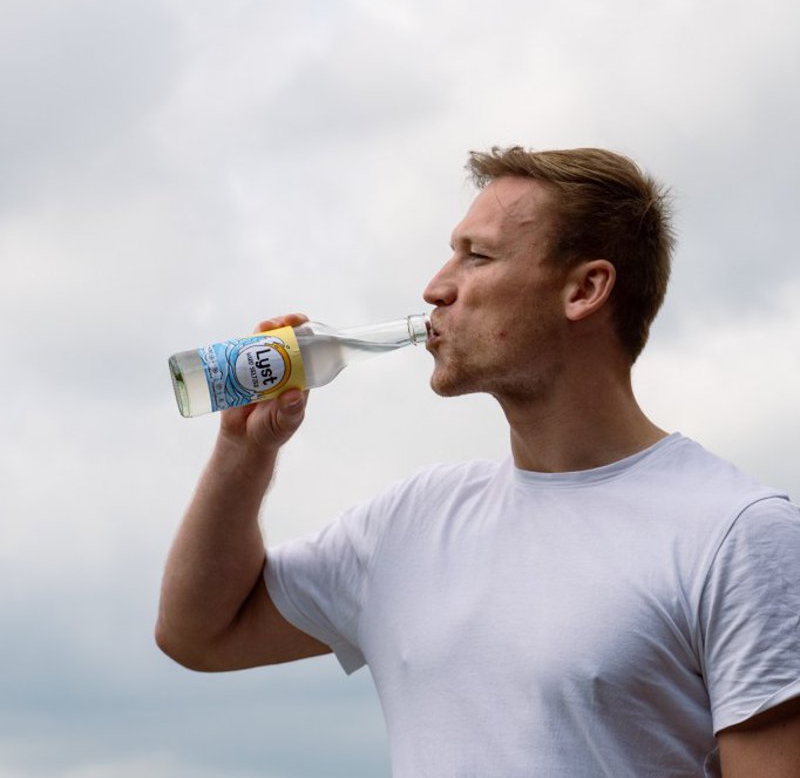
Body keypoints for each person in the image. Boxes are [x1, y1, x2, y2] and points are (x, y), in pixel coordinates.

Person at [156, 147, 800, 777]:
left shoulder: (736, 535)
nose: (436, 288)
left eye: (477, 256)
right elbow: (198, 633)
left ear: (584, 290)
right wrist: (245, 449)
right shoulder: (410, 521)